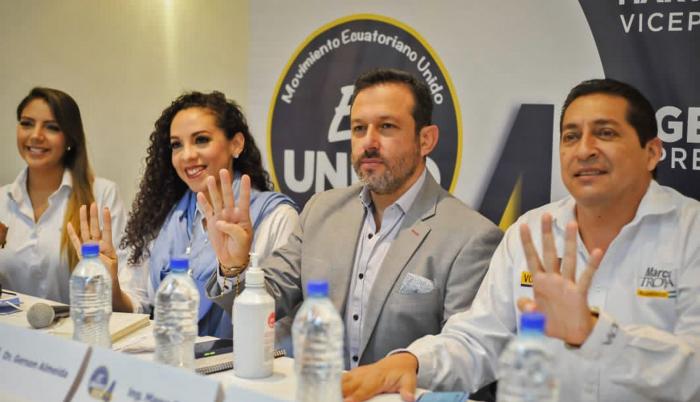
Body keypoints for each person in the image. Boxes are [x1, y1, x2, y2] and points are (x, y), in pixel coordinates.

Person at [341, 78, 700, 402]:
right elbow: (480, 339)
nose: (584, 150)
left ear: (652, 152)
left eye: (605, 133)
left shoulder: (690, 232)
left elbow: (694, 371)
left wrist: (596, 334)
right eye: (571, 136)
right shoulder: (531, 231)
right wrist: (412, 361)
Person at [201, 68, 503, 366]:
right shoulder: (321, 210)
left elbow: (463, 355)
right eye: (358, 128)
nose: (368, 142)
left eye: (386, 127)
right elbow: (270, 297)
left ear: (425, 140)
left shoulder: (471, 237)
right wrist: (234, 267)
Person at [68, 91, 299, 339]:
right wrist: (110, 285)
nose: (187, 155)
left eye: (201, 140)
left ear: (236, 144)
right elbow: (139, 308)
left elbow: (279, 324)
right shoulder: (163, 213)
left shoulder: (277, 216)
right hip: (167, 354)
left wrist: (234, 271)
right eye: (176, 145)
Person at [0, 87, 126, 304]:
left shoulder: (102, 194)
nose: (36, 135)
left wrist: (108, 280)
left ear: (69, 138)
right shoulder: (2, 199)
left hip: (80, 325)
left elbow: (126, 297)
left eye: (51, 127)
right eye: (27, 123)